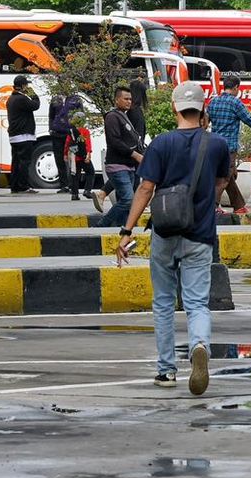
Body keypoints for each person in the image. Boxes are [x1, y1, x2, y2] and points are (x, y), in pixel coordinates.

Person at [115, 81, 230, 396]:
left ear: (174, 108)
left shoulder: (161, 144)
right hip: (201, 235)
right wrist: (208, 205)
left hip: (165, 231)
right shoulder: (217, 144)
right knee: (196, 302)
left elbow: (145, 188)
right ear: (202, 108)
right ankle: (200, 346)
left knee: (164, 302)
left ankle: (166, 371)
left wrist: (127, 231)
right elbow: (221, 183)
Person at [207, 75, 251, 214]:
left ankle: (239, 206)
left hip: (214, 145)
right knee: (224, 177)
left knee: (230, 176)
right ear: (235, 87)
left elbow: (205, 122)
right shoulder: (235, 103)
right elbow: (249, 120)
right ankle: (212, 206)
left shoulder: (213, 102)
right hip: (229, 147)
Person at [98, 86, 144, 229]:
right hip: (117, 166)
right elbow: (115, 141)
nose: (129, 102)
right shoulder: (112, 117)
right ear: (117, 100)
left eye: (130, 99)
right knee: (128, 200)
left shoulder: (124, 115)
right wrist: (134, 154)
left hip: (128, 166)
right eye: (126, 99)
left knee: (124, 200)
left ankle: (123, 227)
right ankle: (103, 224)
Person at [6, 75, 41, 194]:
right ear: (22, 86)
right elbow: (36, 105)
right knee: (24, 161)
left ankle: (15, 186)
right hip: (24, 135)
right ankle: (23, 186)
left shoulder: (11, 98)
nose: (28, 87)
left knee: (16, 161)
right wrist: (32, 93)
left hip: (14, 136)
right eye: (26, 85)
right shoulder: (21, 99)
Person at [49, 94, 75, 193]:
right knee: (59, 159)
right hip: (57, 135)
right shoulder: (55, 99)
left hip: (70, 134)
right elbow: (51, 116)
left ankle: (73, 185)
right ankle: (64, 185)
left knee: (73, 159)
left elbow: (80, 115)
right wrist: (51, 129)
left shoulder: (75, 99)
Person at [65, 120, 95, 201]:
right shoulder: (85, 131)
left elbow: (67, 143)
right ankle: (87, 190)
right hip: (83, 156)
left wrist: (65, 154)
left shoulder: (71, 131)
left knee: (75, 175)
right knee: (90, 172)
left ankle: (74, 194)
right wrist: (88, 154)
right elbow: (87, 144)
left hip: (74, 157)